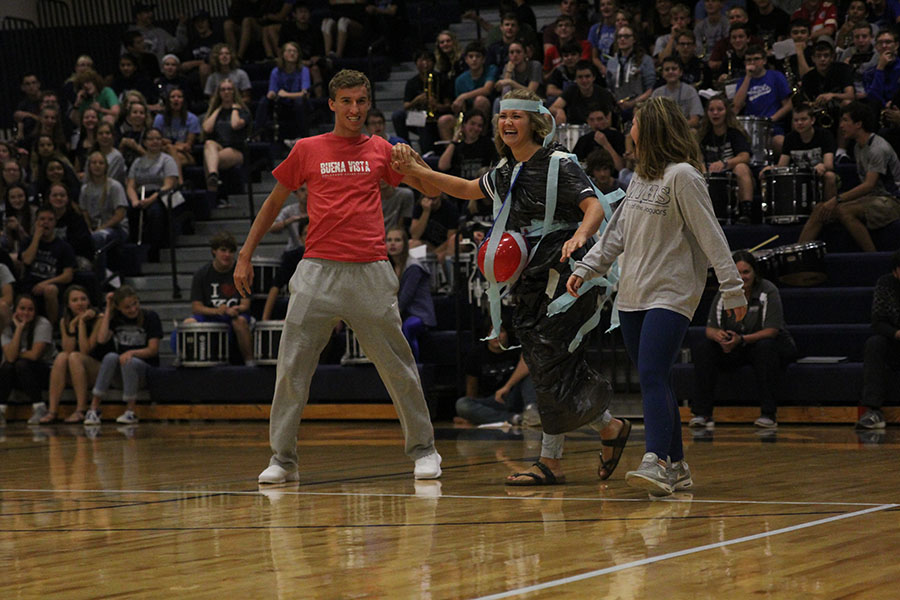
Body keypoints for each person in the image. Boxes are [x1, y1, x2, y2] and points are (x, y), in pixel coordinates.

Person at [391, 88, 631, 486]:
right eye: (504, 118)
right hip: (532, 274)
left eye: (517, 117)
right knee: (545, 362)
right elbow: (468, 189)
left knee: (551, 359)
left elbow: (594, 206)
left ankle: (552, 462)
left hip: (571, 270)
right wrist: (418, 172)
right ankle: (608, 427)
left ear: (534, 122)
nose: (508, 123)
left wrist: (579, 238)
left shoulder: (559, 163)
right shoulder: (506, 170)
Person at [233, 69, 443, 484]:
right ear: (332, 104)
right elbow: (274, 203)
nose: (354, 109)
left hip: (370, 271)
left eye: (362, 101)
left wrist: (414, 165)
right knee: (292, 367)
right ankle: (282, 460)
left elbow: (431, 193)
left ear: (369, 104)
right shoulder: (308, 149)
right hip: (317, 271)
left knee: (398, 367)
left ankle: (425, 450)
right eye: (346, 101)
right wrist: (245, 254)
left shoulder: (382, 148)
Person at [568, 96, 747, 496]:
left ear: (650, 129)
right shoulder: (638, 179)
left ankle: (657, 461)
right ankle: (679, 466)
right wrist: (587, 267)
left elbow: (711, 234)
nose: (629, 127)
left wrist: (733, 286)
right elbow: (616, 234)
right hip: (632, 295)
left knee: (649, 373)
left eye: (634, 121)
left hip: (672, 293)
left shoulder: (683, 175)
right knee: (657, 378)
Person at [690, 250, 797, 429]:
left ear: (755, 272)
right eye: (738, 273)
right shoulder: (725, 292)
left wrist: (741, 339)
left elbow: (772, 330)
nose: (742, 277)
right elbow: (710, 329)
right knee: (704, 348)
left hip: (762, 344)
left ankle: (768, 414)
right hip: (735, 346)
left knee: (766, 347)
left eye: (746, 272)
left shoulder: (767, 290)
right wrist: (719, 337)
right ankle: (702, 414)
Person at [798, 102, 900, 252]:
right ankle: (797, 253)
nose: (841, 126)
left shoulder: (878, 148)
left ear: (858, 124)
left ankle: (873, 257)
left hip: (892, 200)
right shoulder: (858, 146)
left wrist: (837, 199)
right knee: (821, 208)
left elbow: (869, 185)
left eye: (845, 120)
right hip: (873, 198)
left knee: (844, 211)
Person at [84, 286, 161, 425]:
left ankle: (130, 411)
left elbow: (153, 350)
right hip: (123, 371)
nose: (132, 309)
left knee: (129, 360)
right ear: (118, 308)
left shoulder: (150, 316)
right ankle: (93, 409)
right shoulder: (116, 318)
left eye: (135, 304)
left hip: (144, 371)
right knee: (110, 357)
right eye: (127, 307)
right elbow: (101, 339)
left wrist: (131, 352)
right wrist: (108, 309)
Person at [180, 231, 253, 366]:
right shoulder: (201, 274)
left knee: (240, 321)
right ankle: (187, 360)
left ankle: (249, 361)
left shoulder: (241, 272)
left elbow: (245, 304)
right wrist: (218, 311)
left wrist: (235, 309)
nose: (227, 255)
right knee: (188, 322)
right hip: (212, 314)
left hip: (234, 315)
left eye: (231, 251)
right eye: (223, 250)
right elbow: (196, 307)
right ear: (214, 251)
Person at [455, 320, 538, 427]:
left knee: (530, 373)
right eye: (491, 332)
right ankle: (516, 418)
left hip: (516, 396)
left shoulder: (516, 348)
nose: (496, 335)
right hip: (494, 401)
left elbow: (527, 364)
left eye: (500, 331)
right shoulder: (476, 354)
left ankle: (530, 410)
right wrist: (469, 415)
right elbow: (472, 386)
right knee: (462, 405)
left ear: (507, 334)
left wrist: (507, 387)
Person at [40, 285, 104, 424]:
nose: (80, 303)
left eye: (83, 299)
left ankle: (81, 410)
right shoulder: (65, 321)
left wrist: (81, 323)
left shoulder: (99, 318)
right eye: (75, 300)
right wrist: (72, 325)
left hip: (98, 369)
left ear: (89, 302)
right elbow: (67, 350)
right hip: (75, 369)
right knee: (62, 356)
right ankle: (52, 411)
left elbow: (85, 350)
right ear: (68, 304)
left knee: (75, 356)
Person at [856, 249, 900, 429]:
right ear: (895, 271)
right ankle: (873, 411)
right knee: (874, 343)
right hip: (896, 342)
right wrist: (897, 333)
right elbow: (878, 322)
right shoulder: (885, 284)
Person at [0, 294, 57, 425]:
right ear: (15, 310)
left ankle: (40, 407)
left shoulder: (42, 323)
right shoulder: (8, 327)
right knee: (7, 366)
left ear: (35, 311)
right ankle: (1, 410)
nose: (26, 312)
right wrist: (19, 329)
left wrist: (14, 353)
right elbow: (9, 358)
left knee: (20, 364)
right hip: (18, 374)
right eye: (22, 308)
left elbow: (34, 355)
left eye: (30, 309)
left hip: (44, 372)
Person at [763, 103, 837, 200]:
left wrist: (822, 166)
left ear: (812, 120)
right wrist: (770, 168)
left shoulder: (824, 135)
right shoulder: (790, 138)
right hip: (799, 178)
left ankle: (829, 211)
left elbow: (829, 164)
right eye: (796, 120)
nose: (799, 123)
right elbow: (782, 166)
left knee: (830, 176)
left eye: (803, 119)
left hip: (818, 176)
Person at [698, 94, 755, 217]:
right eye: (711, 110)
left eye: (719, 109)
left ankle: (746, 211)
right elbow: (698, 158)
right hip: (710, 177)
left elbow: (745, 156)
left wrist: (725, 164)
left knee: (741, 168)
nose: (715, 113)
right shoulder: (703, 135)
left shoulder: (734, 134)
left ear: (726, 112)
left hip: (730, 177)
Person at [18, 207, 76, 326]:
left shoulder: (64, 247)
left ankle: (52, 327)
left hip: (52, 286)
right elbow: (27, 260)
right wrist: (36, 238)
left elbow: (68, 275)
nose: (45, 222)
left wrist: (46, 283)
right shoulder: (28, 242)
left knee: (50, 290)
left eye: (50, 219)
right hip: (29, 284)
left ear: (55, 223)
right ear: (36, 222)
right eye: (42, 219)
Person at [126, 128, 178, 260]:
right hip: (140, 195)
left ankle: (154, 250)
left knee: (155, 212)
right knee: (131, 211)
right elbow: (131, 185)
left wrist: (151, 199)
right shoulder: (137, 162)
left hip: (160, 195)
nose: (155, 142)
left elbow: (169, 184)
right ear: (144, 142)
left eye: (158, 139)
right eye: (151, 139)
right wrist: (134, 201)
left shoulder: (167, 160)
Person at [386, 226, 436, 360]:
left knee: (407, 328)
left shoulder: (413, 267)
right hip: (399, 313)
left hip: (419, 313)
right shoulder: (386, 267)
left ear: (405, 244)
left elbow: (405, 299)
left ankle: (413, 368)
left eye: (397, 240)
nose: (392, 243)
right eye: (389, 240)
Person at [733, 44, 793, 155]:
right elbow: (736, 106)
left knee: (781, 143)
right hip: (750, 129)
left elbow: (788, 105)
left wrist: (771, 119)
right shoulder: (742, 82)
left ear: (764, 60)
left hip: (773, 127)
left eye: (756, 59)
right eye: (748, 60)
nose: (752, 63)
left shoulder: (776, 76)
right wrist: (748, 77)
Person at [81, 151, 130, 280]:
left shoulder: (114, 186)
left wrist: (101, 228)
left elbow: (120, 214)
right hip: (94, 228)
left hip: (116, 229)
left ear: (106, 166)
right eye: (94, 163)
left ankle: (101, 279)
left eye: (101, 163)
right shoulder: (85, 189)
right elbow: (84, 212)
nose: (97, 166)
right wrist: (89, 228)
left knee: (98, 238)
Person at [202, 79, 251, 199]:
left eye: (229, 89)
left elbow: (235, 124)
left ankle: (212, 192)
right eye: (223, 89)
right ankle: (213, 176)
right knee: (209, 143)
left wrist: (234, 109)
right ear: (218, 93)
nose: (226, 92)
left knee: (209, 159)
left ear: (234, 92)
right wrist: (218, 109)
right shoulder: (216, 112)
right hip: (218, 147)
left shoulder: (243, 112)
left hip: (236, 150)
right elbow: (207, 128)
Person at [256, 41, 312, 143]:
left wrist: (286, 94)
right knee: (264, 101)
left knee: (299, 101)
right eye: (289, 51)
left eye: (295, 51)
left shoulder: (304, 70)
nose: (292, 54)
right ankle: (258, 133)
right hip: (282, 105)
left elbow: (305, 94)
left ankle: (303, 136)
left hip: (299, 105)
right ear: (283, 54)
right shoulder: (276, 71)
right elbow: (272, 91)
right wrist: (272, 94)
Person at [606, 25, 655, 120]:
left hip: (639, 107)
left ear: (634, 39)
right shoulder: (612, 62)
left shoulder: (645, 60)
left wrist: (632, 103)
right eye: (619, 36)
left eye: (627, 36)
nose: (622, 39)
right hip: (618, 108)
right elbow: (609, 87)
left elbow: (650, 89)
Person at [549, 60, 616, 126]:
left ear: (594, 77)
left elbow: (608, 123)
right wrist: (559, 111)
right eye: (580, 77)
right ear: (576, 79)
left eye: (587, 76)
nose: (584, 80)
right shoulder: (571, 90)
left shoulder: (604, 94)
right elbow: (552, 108)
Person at [437, 110, 498, 180]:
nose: (476, 128)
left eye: (479, 126)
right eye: (472, 124)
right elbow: (442, 166)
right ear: (464, 125)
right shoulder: (456, 146)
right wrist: (454, 141)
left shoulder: (487, 144)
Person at [153, 87, 200, 176]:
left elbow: (187, 146)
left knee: (170, 155)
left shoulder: (192, 119)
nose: (176, 99)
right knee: (169, 152)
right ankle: (179, 182)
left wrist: (170, 144)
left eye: (179, 97)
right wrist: (176, 145)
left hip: (185, 155)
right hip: (163, 152)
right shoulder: (159, 118)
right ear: (168, 101)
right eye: (172, 97)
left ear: (184, 100)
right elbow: (157, 141)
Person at [650, 56, 703, 128]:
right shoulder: (657, 93)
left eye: (674, 69)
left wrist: (674, 128)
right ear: (662, 74)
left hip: (684, 130)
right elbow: (651, 119)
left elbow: (695, 121)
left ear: (680, 72)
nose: (670, 72)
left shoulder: (690, 91)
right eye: (667, 69)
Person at [451, 42, 496, 117]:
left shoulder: (491, 70)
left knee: (480, 100)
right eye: (471, 56)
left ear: (483, 59)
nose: (474, 59)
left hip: (489, 111)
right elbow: (459, 104)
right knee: (444, 120)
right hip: (467, 114)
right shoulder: (460, 80)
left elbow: (487, 89)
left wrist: (463, 96)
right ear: (466, 59)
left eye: (477, 56)